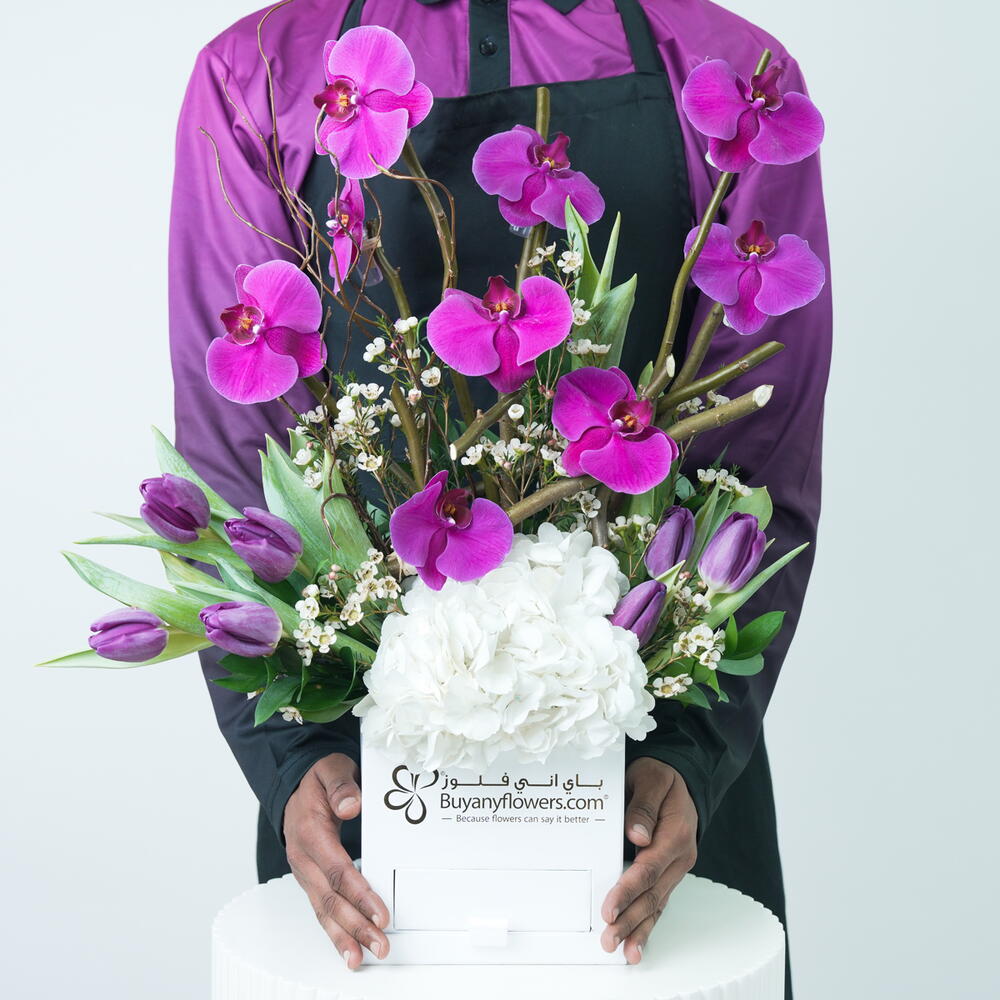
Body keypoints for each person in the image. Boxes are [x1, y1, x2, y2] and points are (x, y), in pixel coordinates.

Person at [169, 1, 831, 994]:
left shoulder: (722, 67)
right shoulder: (258, 77)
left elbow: (762, 459)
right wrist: (294, 758)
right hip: (366, 806)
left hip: (652, 790)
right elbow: (237, 455)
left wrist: (692, 756)